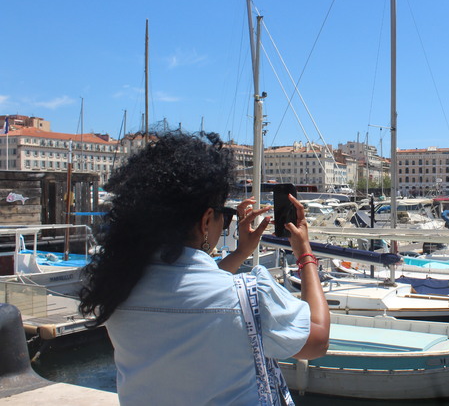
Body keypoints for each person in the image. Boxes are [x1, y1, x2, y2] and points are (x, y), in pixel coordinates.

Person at [79, 131, 329, 405]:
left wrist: (241, 252)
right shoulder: (249, 295)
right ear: (206, 219)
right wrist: (304, 253)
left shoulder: (119, 288)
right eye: (225, 214)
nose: (226, 222)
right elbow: (316, 340)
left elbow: (190, 288)